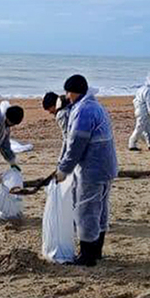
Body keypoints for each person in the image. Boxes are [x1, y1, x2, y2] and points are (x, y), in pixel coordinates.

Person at [54, 74, 118, 267]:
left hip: (93, 168)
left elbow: (76, 144)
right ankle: (96, 251)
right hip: (105, 166)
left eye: (68, 92)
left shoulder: (84, 110)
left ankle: (87, 256)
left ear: (74, 92)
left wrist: (64, 169)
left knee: (86, 210)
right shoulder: (93, 106)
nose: (67, 96)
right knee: (100, 209)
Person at [128, 75, 150, 152]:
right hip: (143, 112)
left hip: (138, 110)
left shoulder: (141, 89)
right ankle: (132, 143)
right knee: (139, 128)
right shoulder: (149, 91)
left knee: (147, 129)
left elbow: (135, 100)